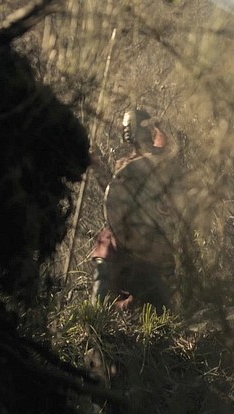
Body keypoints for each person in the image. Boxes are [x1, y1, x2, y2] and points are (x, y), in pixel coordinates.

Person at [88, 108, 177, 311]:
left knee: (158, 298)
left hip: (154, 237)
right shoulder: (125, 164)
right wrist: (96, 165)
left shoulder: (159, 158)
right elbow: (114, 194)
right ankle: (95, 314)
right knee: (105, 249)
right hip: (126, 235)